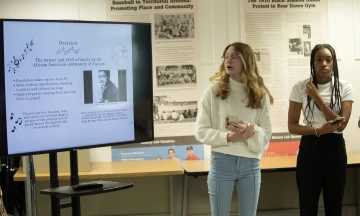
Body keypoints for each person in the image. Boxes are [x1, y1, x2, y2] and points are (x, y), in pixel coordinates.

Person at [195, 42, 273, 216]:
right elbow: (200, 131)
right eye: (226, 56)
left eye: (234, 56)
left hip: (250, 163)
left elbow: (266, 134)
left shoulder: (260, 95)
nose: (228, 60)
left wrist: (249, 130)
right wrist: (229, 137)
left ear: (247, 60)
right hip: (222, 161)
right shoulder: (213, 92)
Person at [288, 44, 354, 216]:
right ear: (313, 62)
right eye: (319, 59)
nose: (323, 63)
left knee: (334, 205)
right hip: (310, 148)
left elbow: (341, 125)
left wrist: (317, 98)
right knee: (307, 206)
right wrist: (319, 131)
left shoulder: (344, 87)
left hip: (335, 149)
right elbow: (292, 126)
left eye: (328, 59)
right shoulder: (300, 87)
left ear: (333, 63)